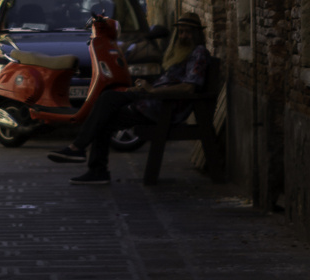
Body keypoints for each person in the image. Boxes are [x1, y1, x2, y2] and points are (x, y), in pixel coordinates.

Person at [46, 12, 208, 185]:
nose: (183, 36)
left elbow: (189, 87)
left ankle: (79, 149)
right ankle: (96, 170)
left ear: (197, 34)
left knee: (107, 99)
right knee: (105, 111)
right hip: (152, 101)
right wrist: (144, 88)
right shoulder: (180, 53)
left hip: (162, 107)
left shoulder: (198, 53)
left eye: (188, 32)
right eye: (181, 32)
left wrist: (152, 91)